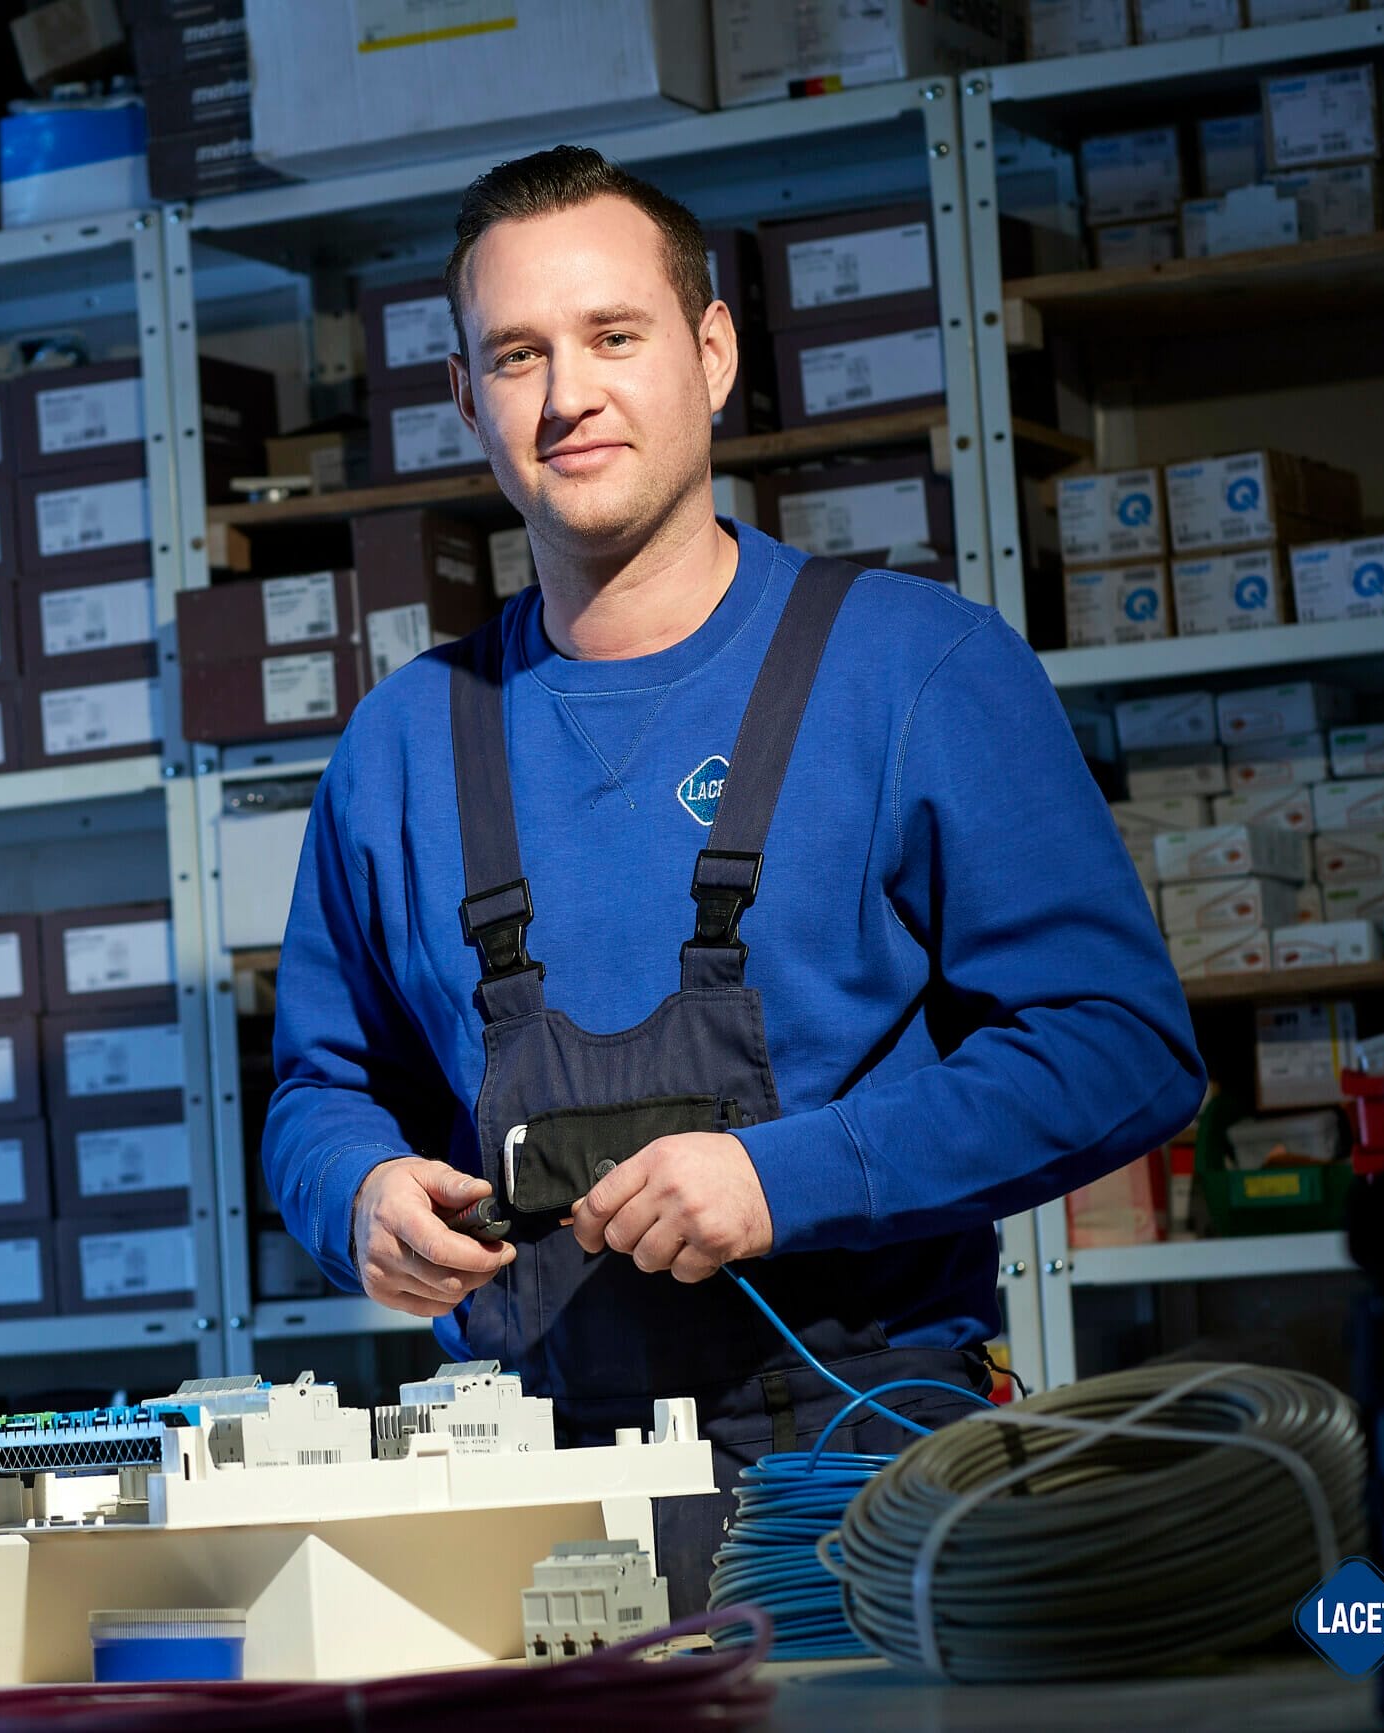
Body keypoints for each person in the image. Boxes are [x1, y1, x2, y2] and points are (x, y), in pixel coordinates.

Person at [258, 147, 1205, 1605]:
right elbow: (318, 1088)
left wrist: (784, 1176)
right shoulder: (398, 746)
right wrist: (358, 1194)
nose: (565, 393)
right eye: (517, 354)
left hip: (865, 1483)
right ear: (468, 401)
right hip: (516, 1504)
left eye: (612, 336)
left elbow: (1122, 1051)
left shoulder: (916, 670)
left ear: (711, 355)